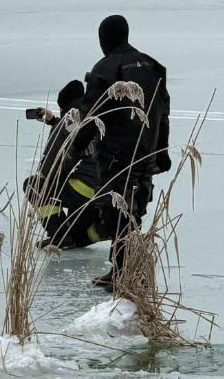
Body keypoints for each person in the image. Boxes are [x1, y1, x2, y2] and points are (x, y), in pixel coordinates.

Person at [69, 15, 172, 292]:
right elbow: (163, 114)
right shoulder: (153, 66)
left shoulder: (104, 69)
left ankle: (124, 273)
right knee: (133, 210)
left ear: (105, 39)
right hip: (146, 152)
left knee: (116, 211)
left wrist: (74, 149)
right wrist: (162, 152)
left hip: (116, 155)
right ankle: (124, 269)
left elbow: (91, 117)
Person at [25, 80, 107, 250]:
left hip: (84, 190)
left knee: (33, 185)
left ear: (64, 106)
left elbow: (49, 166)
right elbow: (79, 134)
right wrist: (54, 121)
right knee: (78, 237)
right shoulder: (97, 115)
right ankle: (101, 229)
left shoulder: (68, 120)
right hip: (106, 191)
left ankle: (58, 235)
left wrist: (41, 184)